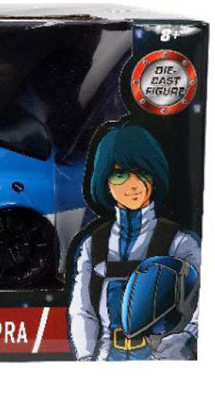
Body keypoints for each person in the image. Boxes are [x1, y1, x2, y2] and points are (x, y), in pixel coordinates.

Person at [68, 123, 199, 360]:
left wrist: (184, 341)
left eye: (142, 172)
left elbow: (202, 300)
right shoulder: (94, 245)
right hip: (106, 356)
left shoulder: (179, 243)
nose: (133, 184)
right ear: (105, 181)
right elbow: (82, 309)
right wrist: (86, 357)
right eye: (120, 175)